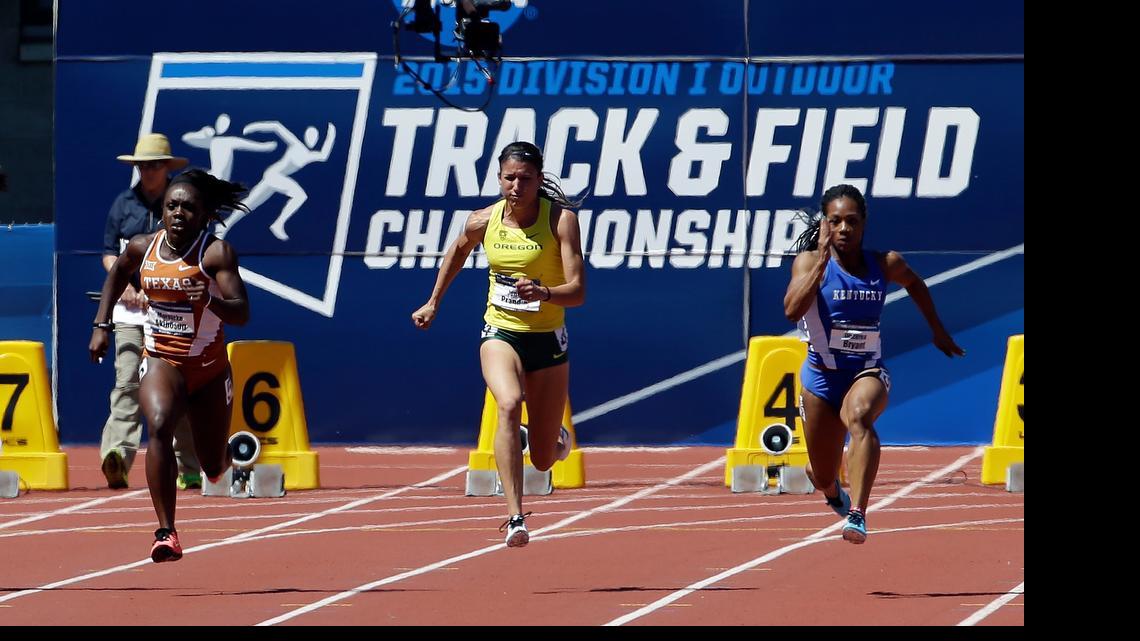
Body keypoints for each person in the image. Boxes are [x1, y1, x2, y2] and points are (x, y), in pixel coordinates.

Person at [412, 141, 585, 548]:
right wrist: (433, 301)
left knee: (543, 459)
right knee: (507, 403)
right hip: (500, 332)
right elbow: (456, 252)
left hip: (548, 340)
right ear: (499, 178)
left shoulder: (561, 221)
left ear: (539, 180)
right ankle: (514, 517)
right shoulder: (482, 221)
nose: (517, 186)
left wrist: (542, 292)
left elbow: (578, 291)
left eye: (526, 179)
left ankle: (554, 438)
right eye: (510, 178)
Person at [784, 184, 964, 544]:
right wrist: (820, 260)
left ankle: (858, 513)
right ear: (826, 226)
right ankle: (829, 483)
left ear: (864, 224)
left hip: (867, 372)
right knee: (821, 474)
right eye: (836, 221)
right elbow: (791, 310)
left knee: (860, 417)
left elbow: (915, 284)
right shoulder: (809, 263)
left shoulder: (885, 264)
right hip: (820, 378)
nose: (845, 229)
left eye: (852, 221)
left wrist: (937, 330)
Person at [90, 168, 251, 562]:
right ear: (162, 210)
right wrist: (101, 325)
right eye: (172, 206)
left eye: (188, 208)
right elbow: (116, 277)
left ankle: (231, 454)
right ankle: (166, 532)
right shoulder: (142, 247)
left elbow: (242, 312)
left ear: (204, 215)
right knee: (158, 425)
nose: (179, 213)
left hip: (209, 368)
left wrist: (207, 299)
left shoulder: (215, 254)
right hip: (162, 358)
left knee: (213, 465)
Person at [100, 133, 202, 490]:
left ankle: (188, 466)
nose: (148, 171)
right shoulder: (122, 205)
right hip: (129, 315)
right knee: (127, 382)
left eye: (154, 165)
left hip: (174, 315)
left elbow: (199, 253)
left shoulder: (184, 204)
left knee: (179, 390)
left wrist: (164, 285)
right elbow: (110, 255)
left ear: (167, 168)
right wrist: (127, 287)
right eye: (142, 165)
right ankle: (117, 456)